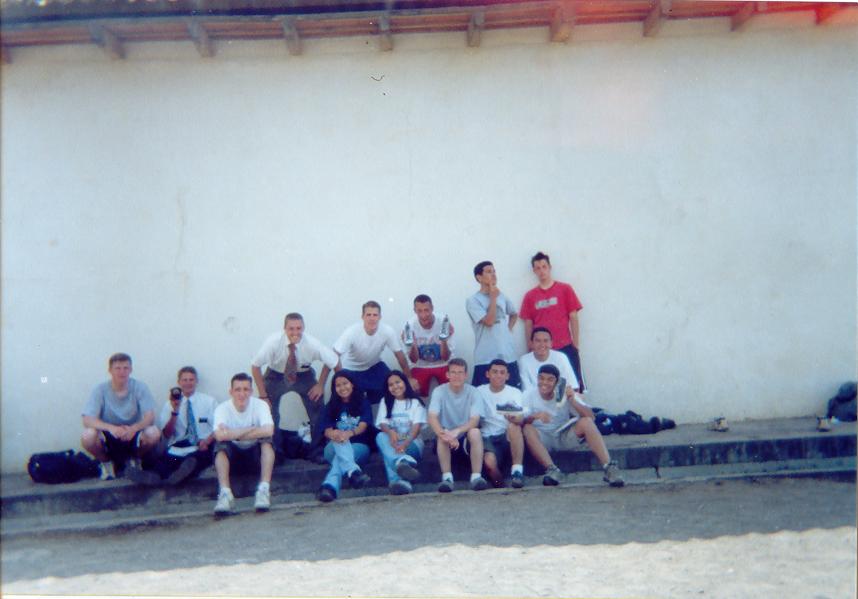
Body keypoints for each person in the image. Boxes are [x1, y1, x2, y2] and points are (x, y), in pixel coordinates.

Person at [251, 312, 339, 459]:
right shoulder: (273, 342)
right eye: (291, 328)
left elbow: (334, 361)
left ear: (303, 328)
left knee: (317, 405)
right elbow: (255, 366)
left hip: (303, 375)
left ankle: (317, 450)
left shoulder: (312, 344)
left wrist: (321, 385)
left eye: (299, 328)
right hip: (275, 375)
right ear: (284, 329)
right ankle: (275, 451)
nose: (295, 332)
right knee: (268, 411)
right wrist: (263, 395)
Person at [521, 364, 624, 487]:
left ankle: (609, 468)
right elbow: (520, 421)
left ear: (557, 382)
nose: (544, 383)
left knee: (586, 422)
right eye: (541, 378)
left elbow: (591, 417)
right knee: (527, 429)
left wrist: (572, 400)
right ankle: (552, 470)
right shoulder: (528, 395)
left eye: (550, 379)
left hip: (563, 436)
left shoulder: (563, 392)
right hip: (542, 439)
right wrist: (535, 416)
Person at [126, 366, 218, 486]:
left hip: (202, 446)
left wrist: (207, 441)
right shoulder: (170, 405)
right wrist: (175, 411)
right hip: (178, 447)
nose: (188, 383)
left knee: (195, 461)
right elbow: (166, 434)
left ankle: (181, 475)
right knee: (164, 465)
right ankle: (153, 477)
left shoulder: (209, 402)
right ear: (179, 382)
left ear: (196, 381)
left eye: (191, 379)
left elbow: (218, 427)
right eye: (184, 380)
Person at [81, 353, 161, 481]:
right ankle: (106, 463)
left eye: (125, 368)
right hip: (109, 434)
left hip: (133, 432)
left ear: (131, 370)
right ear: (110, 370)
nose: (122, 372)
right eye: (117, 368)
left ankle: (135, 460)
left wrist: (134, 428)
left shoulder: (140, 387)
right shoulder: (100, 389)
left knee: (154, 432)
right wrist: (111, 428)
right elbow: (87, 419)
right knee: (88, 436)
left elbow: (150, 417)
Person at [520, 251, 586, 391]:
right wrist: (530, 347)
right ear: (534, 271)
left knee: (572, 388)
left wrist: (575, 344)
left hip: (565, 346)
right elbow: (528, 323)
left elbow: (573, 316)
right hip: (542, 351)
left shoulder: (565, 289)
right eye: (538, 268)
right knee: (546, 388)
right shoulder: (530, 296)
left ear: (550, 267)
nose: (541, 271)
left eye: (544, 267)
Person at [212, 373, 275, 515]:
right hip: (233, 457)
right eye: (238, 389)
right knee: (221, 446)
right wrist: (250, 429)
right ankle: (225, 494)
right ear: (231, 392)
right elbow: (219, 435)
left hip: (255, 455)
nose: (242, 394)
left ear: (251, 391)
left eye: (246, 389)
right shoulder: (222, 408)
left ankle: (264, 490)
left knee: (266, 441)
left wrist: (233, 434)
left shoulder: (260, 405)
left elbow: (269, 430)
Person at [333, 300, 419, 404]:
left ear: (380, 317)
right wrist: (340, 379)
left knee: (394, 387)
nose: (372, 318)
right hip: (351, 369)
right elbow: (334, 355)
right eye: (368, 315)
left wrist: (409, 378)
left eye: (375, 315)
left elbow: (399, 355)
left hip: (374, 366)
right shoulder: (352, 332)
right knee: (353, 400)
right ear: (362, 317)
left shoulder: (387, 331)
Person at [427, 358, 489, 492]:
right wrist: (447, 435)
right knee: (442, 434)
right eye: (453, 372)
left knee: (475, 432)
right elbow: (432, 417)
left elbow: (475, 420)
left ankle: (476, 477)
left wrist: (457, 432)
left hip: (465, 438)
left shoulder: (473, 392)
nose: (457, 376)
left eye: (460, 372)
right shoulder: (439, 391)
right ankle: (447, 478)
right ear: (447, 375)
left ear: (466, 375)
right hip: (446, 437)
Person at [317, 371, 374, 503]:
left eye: (345, 383)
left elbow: (363, 426)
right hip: (333, 447)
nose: (342, 388)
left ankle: (329, 487)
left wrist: (348, 434)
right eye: (338, 385)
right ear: (334, 388)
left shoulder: (363, 403)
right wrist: (335, 434)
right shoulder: (331, 406)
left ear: (352, 384)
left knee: (340, 458)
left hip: (359, 447)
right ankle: (353, 471)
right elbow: (326, 430)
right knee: (339, 439)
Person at [466, 261, 521, 388]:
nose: (494, 274)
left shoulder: (502, 296)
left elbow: (513, 314)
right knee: (483, 395)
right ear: (479, 277)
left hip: (508, 356)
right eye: (489, 272)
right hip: (486, 358)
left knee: (512, 393)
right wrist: (493, 298)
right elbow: (489, 322)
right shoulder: (473, 301)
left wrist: (507, 330)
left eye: (494, 271)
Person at [474, 359, 526, 488]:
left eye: (502, 372)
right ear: (488, 374)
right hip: (487, 437)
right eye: (495, 372)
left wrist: (513, 418)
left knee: (514, 427)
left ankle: (517, 472)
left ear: (507, 376)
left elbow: (521, 419)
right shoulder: (478, 391)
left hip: (507, 436)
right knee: (489, 462)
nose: (498, 375)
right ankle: (501, 486)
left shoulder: (514, 392)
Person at [374, 371, 427, 495]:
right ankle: (401, 468)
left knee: (389, 453)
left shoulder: (415, 402)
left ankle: (396, 479)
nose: (395, 386)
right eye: (391, 385)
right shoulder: (385, 401)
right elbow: (382, 424)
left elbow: (415, 430)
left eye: (398, 382)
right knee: (380, 436)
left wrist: (404, 443)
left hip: (412, 443)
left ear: (405, 382)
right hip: (394, 442)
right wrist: (390, 432)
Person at [402, 294, 456, 397]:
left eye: (426, 310)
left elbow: (446, 357)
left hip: (443, 364)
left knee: (451, 392)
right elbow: (413, 360)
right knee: (414, 391)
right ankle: (419, 406)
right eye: (419, 311)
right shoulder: (409, 326)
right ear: (414, 311)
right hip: (420, 365)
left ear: (432, 308)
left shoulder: (444, 322)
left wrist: (443, 341)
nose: (423, 315)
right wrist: (413, 345)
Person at [518, 327, 580, 393]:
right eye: (538, 341)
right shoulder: (524, 361)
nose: (542, 345)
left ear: (551, 343)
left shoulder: (561, 357)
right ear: (531, 343)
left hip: (559, 397)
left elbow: (571, 386)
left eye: (545, 341)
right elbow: (527, 391)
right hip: (534, 398)